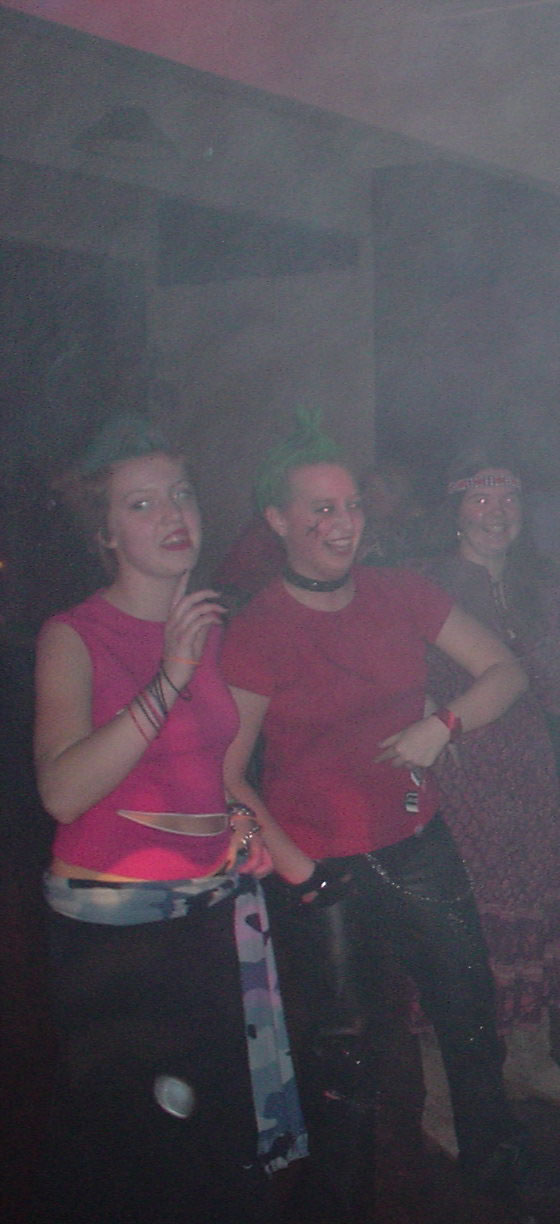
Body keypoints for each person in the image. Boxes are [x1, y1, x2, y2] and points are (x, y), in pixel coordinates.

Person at [218, 412, 551, 1213]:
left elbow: (506, 672)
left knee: (470, 1023)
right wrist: (299, 872)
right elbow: (225, 775)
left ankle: (499, 1184)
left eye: (351, 506)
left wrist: (444, 725)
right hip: (318, 865)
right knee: (344, 1062)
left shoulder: (400, 592)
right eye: (321, 509)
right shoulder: (258, 628)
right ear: (278, 520)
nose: (344, 524)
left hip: (417, 843)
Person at [33, 417, 304, 1224]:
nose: (172, 514)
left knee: (213, 1132)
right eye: (142, 503)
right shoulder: (73, 635)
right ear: (107, 533)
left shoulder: (207, 625)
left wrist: (249, 832)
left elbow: (212, 770)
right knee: (143, 1150)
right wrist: (169, 677)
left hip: (206, 908)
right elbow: (62, 792)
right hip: (114, 932)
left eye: (180, 494)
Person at [414, 456, 560, 1137]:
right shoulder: (426, 585)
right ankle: (445, 1104)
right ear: (455, 509)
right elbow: (392, 676)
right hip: (459, 778)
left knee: (529, 917)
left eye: (509, 499)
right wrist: (419, 717)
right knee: (463, 937)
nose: (497, 511)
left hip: (528, 779)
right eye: (481, 497)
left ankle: (529, 1064)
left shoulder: (543, 591)